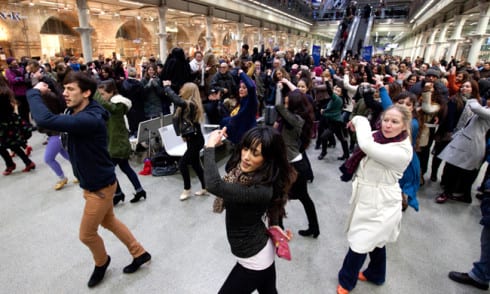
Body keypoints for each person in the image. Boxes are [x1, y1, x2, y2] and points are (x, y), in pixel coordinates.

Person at [27, 73, 151, 288]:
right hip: (96, 183)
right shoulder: (79, 108)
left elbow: (45, 120)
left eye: (70, 89)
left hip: (99, 188)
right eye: (64, 89)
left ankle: (102, 262)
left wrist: (34, 92)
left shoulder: (88, 118)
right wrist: (49, 80)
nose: (65, 94)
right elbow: (65, 93)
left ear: (86, 93)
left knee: (86, 235)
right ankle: (139, 253)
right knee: (109, 221)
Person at [204, 126, 296, 293]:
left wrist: (209, 147)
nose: (245, 157)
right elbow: (231, 166)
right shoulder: (242, 172)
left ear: (267, 159)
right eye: (246, 148)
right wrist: (277, 227)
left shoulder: (260, 189)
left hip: (254, 260)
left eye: (255, 153)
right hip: (260, 250)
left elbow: (213, 184)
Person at [337, 105, 413, 294]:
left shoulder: (402, 150)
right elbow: (367, 140)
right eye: (386, 120)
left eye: (394, 122)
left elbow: (366, 145)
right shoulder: (377, 135)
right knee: (376, 240)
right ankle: (376, 274)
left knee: (360, 241)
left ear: (404, 126)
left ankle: (346, 281)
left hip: (382, 202)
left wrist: (357, 119)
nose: (388, 125)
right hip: (366, 197)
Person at [274, 81, 320, 237]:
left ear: (294, 106)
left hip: (292, 166)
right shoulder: (298, 118)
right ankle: (314, 228)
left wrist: (279, 90)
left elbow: (278, 107)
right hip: (295, 164)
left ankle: (279, 230)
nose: (285, 106)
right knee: (301, 198)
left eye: (288, 104)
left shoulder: (295, 119)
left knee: (279, 198)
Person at [96, 80, 147, 205]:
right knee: (125, 168)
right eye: (100, 94)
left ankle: (119, 193)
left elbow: (109, 108)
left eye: (103, 94)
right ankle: (137, 190)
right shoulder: (111, 105)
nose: (101, 97)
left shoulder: (117, 105)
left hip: (117, 145)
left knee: (108, 172)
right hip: (115, 144)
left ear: (111, 92)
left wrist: (94, 93)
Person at [163, 80, 207, 200]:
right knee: (195, 164)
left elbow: (177, 100)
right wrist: (182, 134)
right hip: (192, 138)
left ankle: (187, 190)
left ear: (188, 91)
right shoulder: (188, 104)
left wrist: (167, 88)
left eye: (183, 88)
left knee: (182, 164)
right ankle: (205, 187)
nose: (181, 90)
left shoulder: (191, 104)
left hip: (196, 139)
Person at [0, 85, 35, 175]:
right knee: (12, 145)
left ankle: (11, 164)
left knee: (5, 146)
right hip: (9, 121)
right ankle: (26, 162)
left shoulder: (2, 92)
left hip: (3, 123)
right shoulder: (5, 90)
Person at [220, 70, 258, 145]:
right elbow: (238, 117)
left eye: (244, 88)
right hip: (241, 139)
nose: (240, 89)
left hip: (247, 138)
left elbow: (252, 87)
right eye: (240, 87)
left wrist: (241, 73)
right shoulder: (243, 100)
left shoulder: (251, 101)